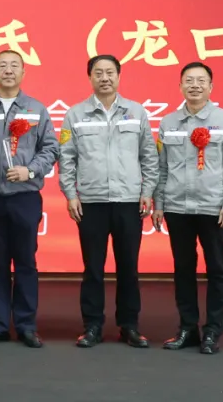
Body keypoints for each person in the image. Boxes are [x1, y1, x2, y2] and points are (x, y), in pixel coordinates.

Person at [57, 55, 158, 349]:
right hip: (91, 202)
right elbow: (66, 158)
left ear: (119, 76)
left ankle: (129, 326)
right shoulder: (75, 114)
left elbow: (149, 156)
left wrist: (147, 191)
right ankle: (92, 326)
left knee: (129, 267)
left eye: (110, 72)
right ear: (90, 77)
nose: (104, 78)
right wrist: (71, 194)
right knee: (93, 268)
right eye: (98, 73)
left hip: (129, 201)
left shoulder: (136, 112)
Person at [0, 49, 59, 349]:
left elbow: (51, 149)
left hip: (25, 197)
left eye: (14, 65)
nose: (8, 70)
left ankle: (27, 325)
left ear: (23, 72)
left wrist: (29, 170)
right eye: (2, 65)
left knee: (26, 261)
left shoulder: (36, 109)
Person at [153, 62, 223, 355]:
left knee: (217, 269)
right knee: (183, 270)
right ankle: (188, 328)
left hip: (213, 208)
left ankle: (213, 331)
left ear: (211, 86)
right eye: (189, 80)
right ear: (180, 86)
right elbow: (161, 168)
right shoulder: (168, 122)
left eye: (201, 81)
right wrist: (159, 204)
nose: (195, 85)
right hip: (177, 208)